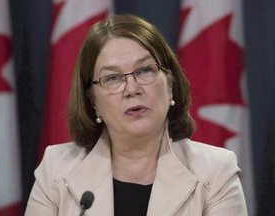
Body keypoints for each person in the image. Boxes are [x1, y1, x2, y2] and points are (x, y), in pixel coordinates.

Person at [25, 14, 247, 216]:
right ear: (93, 101)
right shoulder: (55, 170)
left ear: (170, 86)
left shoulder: (216, 172)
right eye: (112, 78)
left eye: (144, 71)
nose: (132, 89)